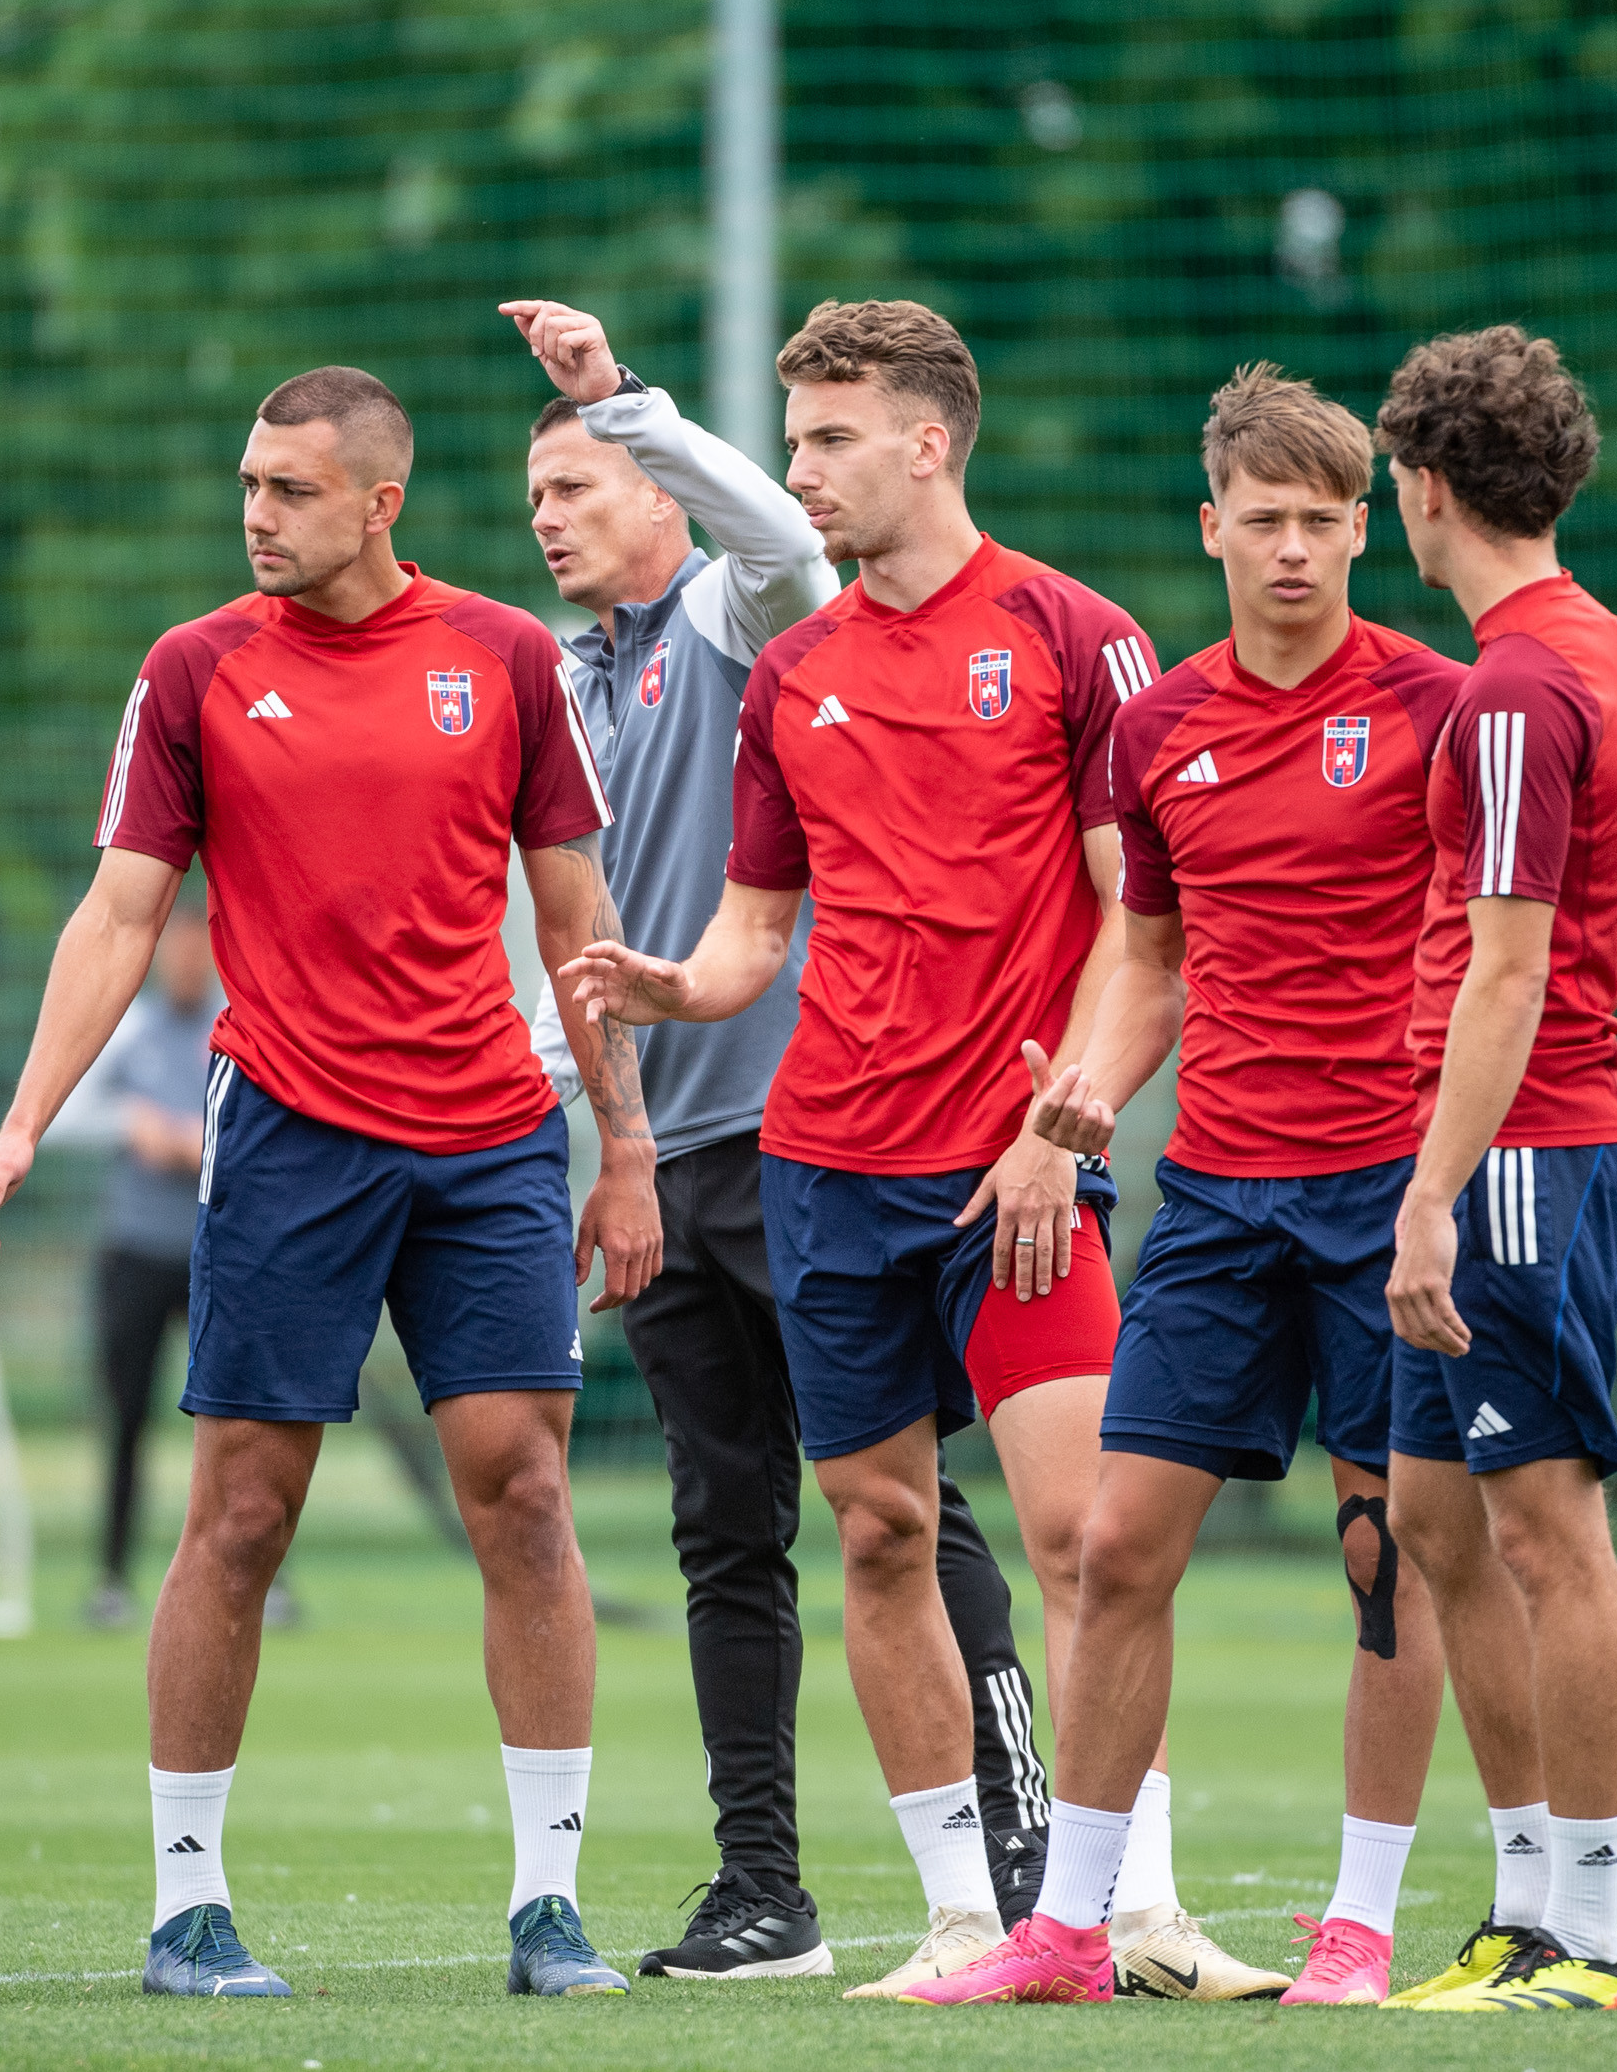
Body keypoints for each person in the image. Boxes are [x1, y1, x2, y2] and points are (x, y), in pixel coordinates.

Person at [567, 301, 1269, 2002]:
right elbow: (753, 934)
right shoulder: (792, 672)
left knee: (1089, 1537)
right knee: (879, 1532)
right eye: (794, 438)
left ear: (928, 440)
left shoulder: (1075, 634)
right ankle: (962, 1916)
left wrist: (1056, 1124)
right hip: (824, 1171)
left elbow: (1142, 929)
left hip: (1012, 1180)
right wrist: (671, 987)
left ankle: (1136, 1911)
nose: (802, 468)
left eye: (829, 438)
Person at [0, 365, 658, 2002]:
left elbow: (577, 922)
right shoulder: (195, 668)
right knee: (244, 1515)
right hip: (286, 1136)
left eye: (291, 489)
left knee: (527, 1497)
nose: (257, 514)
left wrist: (626, 1147)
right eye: (249, 486)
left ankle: (550, 1907)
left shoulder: (508, 657)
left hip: (488, 1138)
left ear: (381, 502)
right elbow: (120, 913)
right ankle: (187, 1908)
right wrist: (25, 1119)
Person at [915, 361, 1544, 2008]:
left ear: (1364, 530)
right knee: (1118, 1544)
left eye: (1322, 521)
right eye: (1262, 520)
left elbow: (1504, 949)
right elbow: (1149, 959)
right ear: (1212, 528)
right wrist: (1082, 1101)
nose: (1292, 549)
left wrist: (1448, 1173)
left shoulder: (1439, 707)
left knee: (1384, 1554)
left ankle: (1358, 1928)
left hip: (1387, 1192)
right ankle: (1070, 1929)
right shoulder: (1157, 727)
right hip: (1215, 1195)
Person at [497, 299, 1061, 1981]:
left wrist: (625, 401)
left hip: (814, 1139)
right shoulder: (563, 685)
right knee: (722, 1532)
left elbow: (771, 524)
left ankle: (1025, 1853)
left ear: (662, 493)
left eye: (579, 484)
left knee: (903, 1505)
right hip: (661, 1157)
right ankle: (763, 1892)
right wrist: (577, 1120)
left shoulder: (746, 611)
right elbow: (565, 946)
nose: (549, 515)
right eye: (534, 494)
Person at [1377, 325, 1617, 2012]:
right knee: (1435, 1515)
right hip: (1500, 1139)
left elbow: (1509, 968)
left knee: (1546, 1530)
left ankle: (1590, 1937)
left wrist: (1431, 1189)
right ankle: (1523, 1905)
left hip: (1522, 1148)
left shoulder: (1513, 687)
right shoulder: (1591, 643)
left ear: (1424, 487)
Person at [42, 888, 234, 1633]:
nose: (188, 961)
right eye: (176, 947)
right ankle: (114, 1577)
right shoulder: (130, 1031)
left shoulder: (233, 1028)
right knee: (125, 1418)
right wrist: (136, 1124)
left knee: (241, 1420)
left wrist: (202, 1142)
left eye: (199, 947)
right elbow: (64, 1114)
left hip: (216, 1252)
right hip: (135, 1253)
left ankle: (259, 1577)